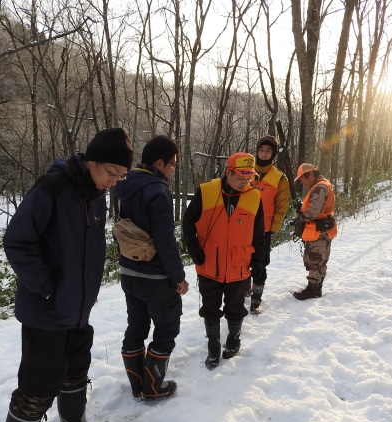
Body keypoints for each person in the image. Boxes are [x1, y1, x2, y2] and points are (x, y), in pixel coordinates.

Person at [0, 128, 133, 422]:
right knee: (37, 385)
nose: (113, 181)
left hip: (77, 308)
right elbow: (17, 241)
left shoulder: (95, 193)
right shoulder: (53, 187)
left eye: (121, 176)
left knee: (75, 369)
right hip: (46, 310)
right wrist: (47, 287)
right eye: (110, 173)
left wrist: (82, 293)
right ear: (91, 162)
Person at [115, 135, 189, 401]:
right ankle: (154, 387)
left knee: (136, 326)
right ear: (159, 163)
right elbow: (165, 240)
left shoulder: (122, 186)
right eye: (172, 164)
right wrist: (179, 277)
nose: (173, 169)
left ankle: (137, 385)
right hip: (156, 276)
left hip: (128, 271)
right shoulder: (157, 191)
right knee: (167, 328)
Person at [183, 152, 265, 369]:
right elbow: (188, 223)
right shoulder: (206, 191)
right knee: (210, 308)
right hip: (209, 265)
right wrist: (193, 250)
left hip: (239, 267)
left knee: (235, 308)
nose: (245, 182)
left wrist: (259, 262)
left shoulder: (255, 196)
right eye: (240, 177)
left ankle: (234, 340)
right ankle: (213, 345)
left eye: (249, 177)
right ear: (228, 172)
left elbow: (259, 234)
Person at [249, 135, 290, 314]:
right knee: (241, 262)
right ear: (257, 151)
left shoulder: (280, 178)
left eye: (268, 151)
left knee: (260, 264)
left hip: (263, 230)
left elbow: (282, 206)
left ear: (273, 154)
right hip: (241, 227)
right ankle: (243, 288)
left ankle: (256, 299)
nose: (264, 154)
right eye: (261, 150)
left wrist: (273, 228)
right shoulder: (246, 171)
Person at [292, 163, 337, 300]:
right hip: (323, 229)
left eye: (303, 178)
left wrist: (300, 218)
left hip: (317, 231)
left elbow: (313, 211)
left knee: (313, 260)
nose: (302, 181)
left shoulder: (319, 188)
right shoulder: (323, 185)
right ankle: (317, 288)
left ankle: (312, 289)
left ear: (311, 174)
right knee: (321, 260)